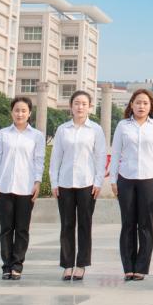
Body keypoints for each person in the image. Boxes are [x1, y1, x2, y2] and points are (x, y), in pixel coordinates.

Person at [110, 88, 153, 282]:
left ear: (151, 106)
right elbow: (115, 154)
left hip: (149, 180)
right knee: (127, 224)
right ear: (131, 105)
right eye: (138, 102)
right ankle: (128, 267)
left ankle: (141, 267)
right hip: (126, 179)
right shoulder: (123, 126)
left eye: (145, 103)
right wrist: (113, 180)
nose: (141, 106)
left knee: (145, 225)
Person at [49, 90, 107, 281]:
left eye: (84, 104)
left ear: (90, 107)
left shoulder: (95, 130)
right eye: (76, 103)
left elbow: (100, 157)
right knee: (66, 225)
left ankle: (81, 264)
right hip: (65, 183)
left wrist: (98, 181)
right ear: (71, 106)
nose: (80, 107)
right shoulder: (62, 130)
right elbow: (56, 157)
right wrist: (54, 182)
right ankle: (67, 265)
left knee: (84, 224)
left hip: (87, 183)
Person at [0, 96, 45, 280]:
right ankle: (6, 266)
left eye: (23, 111)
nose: (20, 114)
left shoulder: (36, 136)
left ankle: (17, 265)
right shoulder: (3, 134)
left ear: (29, 113)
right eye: (16, 110)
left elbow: (39, 161)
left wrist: (37, 182)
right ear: (11, 112)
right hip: (5, 187)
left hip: (26, 188)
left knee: (22, 229)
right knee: (6, 229)